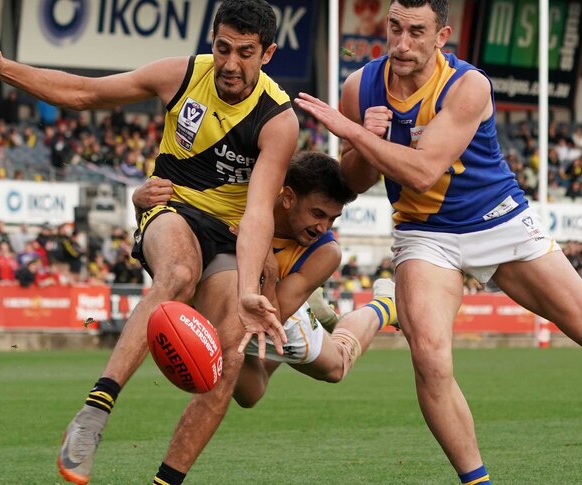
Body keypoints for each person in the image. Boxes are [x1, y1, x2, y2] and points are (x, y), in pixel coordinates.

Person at [293, 1, 582, 483]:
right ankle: (477, 481)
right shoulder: (360, 86)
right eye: (394, 28)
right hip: (425, 235)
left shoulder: (469, 85)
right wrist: (361, 144)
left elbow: (421, 171)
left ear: (441, 36)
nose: (401, 43)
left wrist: (353, 132)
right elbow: (354, 180)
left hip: (497, 221)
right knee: (430, 359)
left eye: (416, 32)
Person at [0, 2, 298, 484]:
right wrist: (1, 68)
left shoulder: (277, 120)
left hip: (229, 237)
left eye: (245, 53)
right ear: (212, 41)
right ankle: (94, 414)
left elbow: (259, 211)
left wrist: (248, 289)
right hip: (170, 209)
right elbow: (82, 93)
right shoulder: (180, 76)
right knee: (177, 273)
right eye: (223, 48)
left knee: (230, 361)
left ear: (268, 53)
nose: (230, 64)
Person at [134, 151, 398, 409]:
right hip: (239, 303)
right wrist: (140, 204)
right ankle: (316, 306)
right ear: (289, 198)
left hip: (274, 311)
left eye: (332, 219)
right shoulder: (242, 198)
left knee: (337, 365)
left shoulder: (326, 252)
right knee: (250, 395)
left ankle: (384, 303)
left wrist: (267, 267)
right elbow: (162, 246)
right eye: (318, 214)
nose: (324, 228)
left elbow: (271, 322)